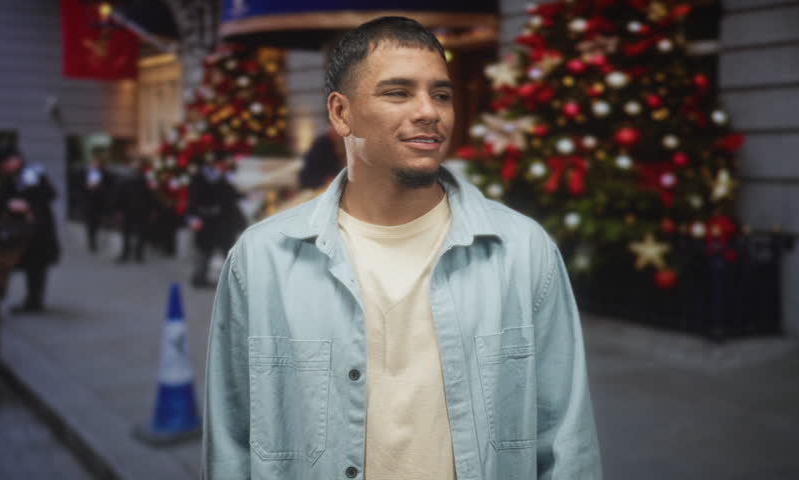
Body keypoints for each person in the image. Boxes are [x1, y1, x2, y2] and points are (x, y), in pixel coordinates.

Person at [203, 16, 601, 480]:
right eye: (398, 92)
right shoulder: (263, 258)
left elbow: (567, 441)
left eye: (441, 94)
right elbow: (230, 444)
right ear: (340, 113)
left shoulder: (522, 250)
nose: (429, 111)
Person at [0, 147, 60, 313]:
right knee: (24, 264)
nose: (4, 168)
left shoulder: (31, 173)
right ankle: (29, 299)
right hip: (20, 231)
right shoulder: (12, 178)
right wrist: (8, 204)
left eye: (5, 163)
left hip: (36, 230)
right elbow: (4, 197)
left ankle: (34, 300)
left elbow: (48, 194)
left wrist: (28, 205)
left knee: (36, 265)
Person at [186, 155, 245, 287]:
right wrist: (193, 217)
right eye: (221, 164)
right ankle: (199, 278)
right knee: (204, 251)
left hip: (223, 222)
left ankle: (232, 280)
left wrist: (244, 196)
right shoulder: (200, 178)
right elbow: (193, 200)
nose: (223, 167)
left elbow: (230, 195)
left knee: (227, 250)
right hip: (206, 221)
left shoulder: (223, 178)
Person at [112, 150, 152, 263]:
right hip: (128, 210)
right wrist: (118, 210)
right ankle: (126, 253)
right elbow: (119, 196)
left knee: (141, 233)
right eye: (134, 163)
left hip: (142, 210)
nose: (136, 165)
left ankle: (138, 254)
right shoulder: (124, 180)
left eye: (138, 163)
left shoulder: (145, 179)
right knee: (126, 233)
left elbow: (149, 196)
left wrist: (151, 210)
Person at [75, 147, 113, 253]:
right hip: (89, 202)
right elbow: (79, 187)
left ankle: (99, 239)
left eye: (98, 162)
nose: (96, 164)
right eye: (94, 162)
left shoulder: (106, 174)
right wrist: (87, 188)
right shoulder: (85, 173)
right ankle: (92, 242)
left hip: (101, 201)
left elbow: (110, 187)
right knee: (91, 223)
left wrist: (101, 187)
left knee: (99, 222)